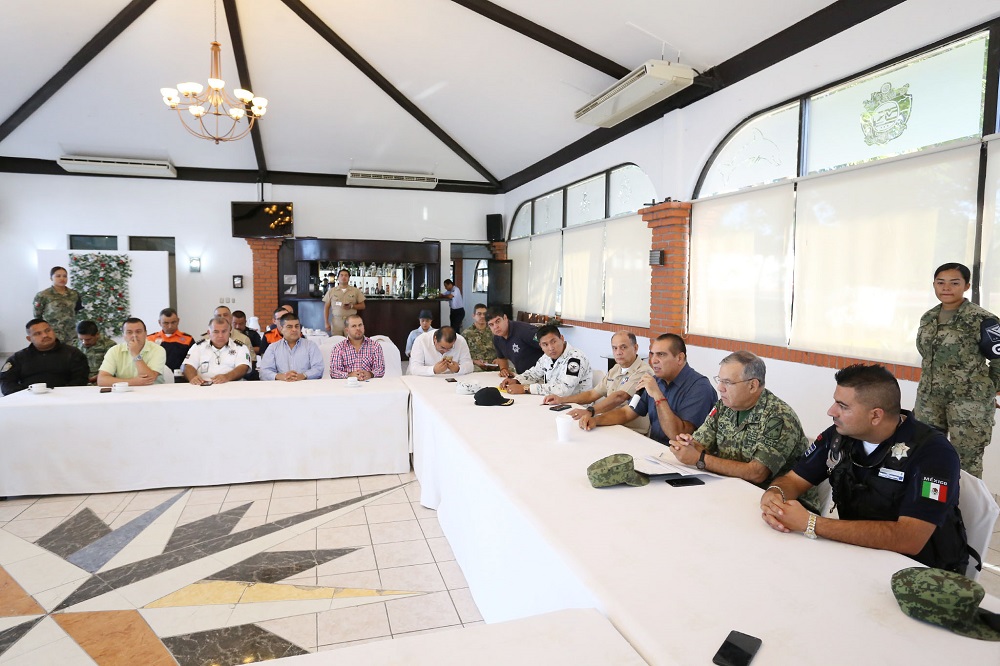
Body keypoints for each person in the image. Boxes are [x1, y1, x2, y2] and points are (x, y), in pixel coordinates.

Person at [760, 364, 970, 573]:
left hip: (921, 572)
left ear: (876, 416)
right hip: (857, 555)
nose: (831, 411)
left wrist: (812, 523)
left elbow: (910, 538)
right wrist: (775, 496)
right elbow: (794, 480)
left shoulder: (934, 454)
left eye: (843, 406)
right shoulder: (839, 436)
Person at [667, 351, 818, 505]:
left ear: (752, 385)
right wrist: (689, 445)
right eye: (720, 380)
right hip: (733, 491)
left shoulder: (778, 417)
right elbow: (701, 444)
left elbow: (757, 473)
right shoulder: (724, 406)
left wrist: (700, 459)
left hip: (780, 503)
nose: (720, 388)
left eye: (727, 382)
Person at [914, 262, 1000, 478]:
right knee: (926, 453)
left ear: (966, 286)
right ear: (934, 285)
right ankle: (929, 500)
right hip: (929, 400)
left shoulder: (983, 320)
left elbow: (999, 358)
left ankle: (965, 501)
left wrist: (989, 388)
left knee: (966, 464)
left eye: (954, 283)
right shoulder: (928, 317)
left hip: (968, 405)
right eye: (940, 282)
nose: (946, 288)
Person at [574, 333, 715, 441]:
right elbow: (626, 413)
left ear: (680, 358)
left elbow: (678, 434)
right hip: (654, 449)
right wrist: (595, 420)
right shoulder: (656, 381)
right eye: (652, 354)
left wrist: (658, 395)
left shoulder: (699, 387)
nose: (654, 360)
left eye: (661, 355)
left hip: (683, 460)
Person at [1, 318, 89, 395]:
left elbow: (80, 380)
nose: (45, 335)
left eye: (47, 330)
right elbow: (6, 382)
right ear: (29, 339)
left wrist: (59, 394)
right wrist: (26, 395)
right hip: (29, 400)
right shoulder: (18, 358)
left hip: (65, 399)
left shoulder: (72, 353)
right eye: (38, 333)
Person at [499, 325, 592, 396]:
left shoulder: (575, 359)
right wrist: (517, 380)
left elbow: (564, 390)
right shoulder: (547, 357)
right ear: (541, 346)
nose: (551, 348)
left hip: (577, 407)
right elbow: (534, 373)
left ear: (562, 339)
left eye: (553, 342)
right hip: (554, 402)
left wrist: (526, 389)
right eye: (545, 344)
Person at [97, 317, 168, 386]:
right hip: (125, 391)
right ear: (123, 335)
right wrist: (133, 382)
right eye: (129, 332)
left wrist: (135, 354)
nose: (134, 335)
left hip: (153, 391)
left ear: (145, 333)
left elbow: (149, 379)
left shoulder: (158, 350)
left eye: (138, 332)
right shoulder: (114, 350)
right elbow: (101, 380)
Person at [183, 316, 251, 385]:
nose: (220, 335)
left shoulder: (240, 348)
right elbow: (188, 366)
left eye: (224, 331)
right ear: (209, 332)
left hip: (231, 385)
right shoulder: (198, 347)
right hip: (203, 386)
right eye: (216, 332)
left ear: (229, 331)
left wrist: (227, 377)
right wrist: (193, 378)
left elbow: (243, 367)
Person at [258, 312, 324, 381]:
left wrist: (304, 375)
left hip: (306, 385)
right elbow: (264, 372)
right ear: (281, 329)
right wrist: (281, 376)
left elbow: (319, 368)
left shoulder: (310, 346)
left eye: (297, 326)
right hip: (281, 385)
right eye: (289, 327)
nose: (294, 329)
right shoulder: (273, 348)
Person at [485, 307, 543, 376]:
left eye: (498, 321)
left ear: (505, 318)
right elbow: (501, 357)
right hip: (523, 376)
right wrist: (503, 369)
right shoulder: (497, 338)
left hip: (541, 375)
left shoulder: (525, 331)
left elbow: (548, 345)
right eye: (491, 325)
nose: (495, 327)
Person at [33, 265, 82, 345]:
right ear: (51, 278)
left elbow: (76, 311)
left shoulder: (74, 294)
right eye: (58, 276)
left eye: (65, 276)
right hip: (52, 333)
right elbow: (37, 316)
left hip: (71, 334)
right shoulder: (43, 295)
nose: (62, 278)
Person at [329, 315, 385, 380]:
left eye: (360, 325)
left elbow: (380, 369)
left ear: (363, 327)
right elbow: (334, 372)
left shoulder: (375, 346)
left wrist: (370, 374)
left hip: (369, 383)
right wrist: (349, 375)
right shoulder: (338, 348)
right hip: (347, 384)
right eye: (354, 326)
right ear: (347, 330)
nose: (358, 328)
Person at [407, 326, 473, 376]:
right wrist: (433, 370)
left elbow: (469, 366)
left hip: (450, 379)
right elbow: (414, 369)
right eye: (442, 347)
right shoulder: (421, 340)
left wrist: (458, 369)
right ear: (435, 339)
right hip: (424, 379)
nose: (446, 351)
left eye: (450, 348)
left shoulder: (460, 341)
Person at [323, 269, 366, 336]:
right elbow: (326, 307)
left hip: (351, 322)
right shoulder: (331, 291)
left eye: (346, 275)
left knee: (351, 341)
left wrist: (352, 306)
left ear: (349, 278)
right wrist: (326, 322)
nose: (344, 277)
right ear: (338, 278)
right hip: (337, 322)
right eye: (341, 275)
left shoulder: (356, 291)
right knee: (337, 341)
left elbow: (363, 306)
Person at [76, 320, 115, 384]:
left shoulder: (109, 345)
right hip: (78, 381)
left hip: (99, 382)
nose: (84, 343)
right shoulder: (76, 344)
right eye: (81, 339)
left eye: (88, 339)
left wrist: (90, 380)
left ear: (97, 334)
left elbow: (112, 369)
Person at [463, 303, 497, 372]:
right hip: (476, 365)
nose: (482, 316)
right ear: (473, 316)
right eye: (479, 314)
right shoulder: (466, 333)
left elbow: (503, 348)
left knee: (510, 371)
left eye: (485, 314)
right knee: (476, 371)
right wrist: (474, 361)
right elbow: (462, 355)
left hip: (493, 364)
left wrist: (499, 359)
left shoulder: (494, 331)